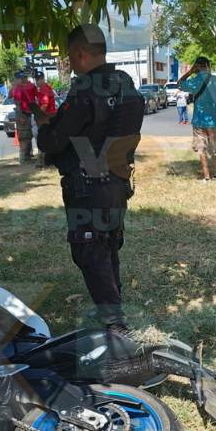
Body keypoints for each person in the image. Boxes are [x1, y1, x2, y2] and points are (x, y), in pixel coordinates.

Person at [35, 24, 144, 331]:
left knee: (91, 252)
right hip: (118, 183)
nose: (71, 63)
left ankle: (115, 327)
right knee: (107, 247)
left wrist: (44, 124)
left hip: (87, 187)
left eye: (71, 56)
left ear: (80, 54)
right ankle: (113, 309)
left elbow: (54, 141)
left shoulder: (85, 89)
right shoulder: (125, 82)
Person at [177, 56, 216, 182]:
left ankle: (207, 176)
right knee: (215, 148)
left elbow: (179, 84)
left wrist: (190, 72)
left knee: (201, 149)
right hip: (214, 121)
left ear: (197, 67)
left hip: (199, 121)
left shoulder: (194, 81)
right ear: (208, 65)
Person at [10, 71, 38, 163]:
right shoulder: (18, 88)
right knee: (24, 136)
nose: (23, 80)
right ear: (17, 79)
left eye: (24, 78)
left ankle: (27, 156)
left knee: (27, 135)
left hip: (27, 113)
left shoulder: (22, 87)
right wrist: (21, 116)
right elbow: (18, 103)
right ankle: (23, 158)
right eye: (21, 78)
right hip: (22, 114)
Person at [34, 71, 58, 166]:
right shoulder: (44, 88)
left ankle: (44, 160)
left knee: (43, 137)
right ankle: (45, 159)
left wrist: (38, 115)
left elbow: (44, 104)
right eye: (36, 79)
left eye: (39, 79)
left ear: (43, 79)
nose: (37, 81)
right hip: (49, 116)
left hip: (47, 116)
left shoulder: (44, 89)